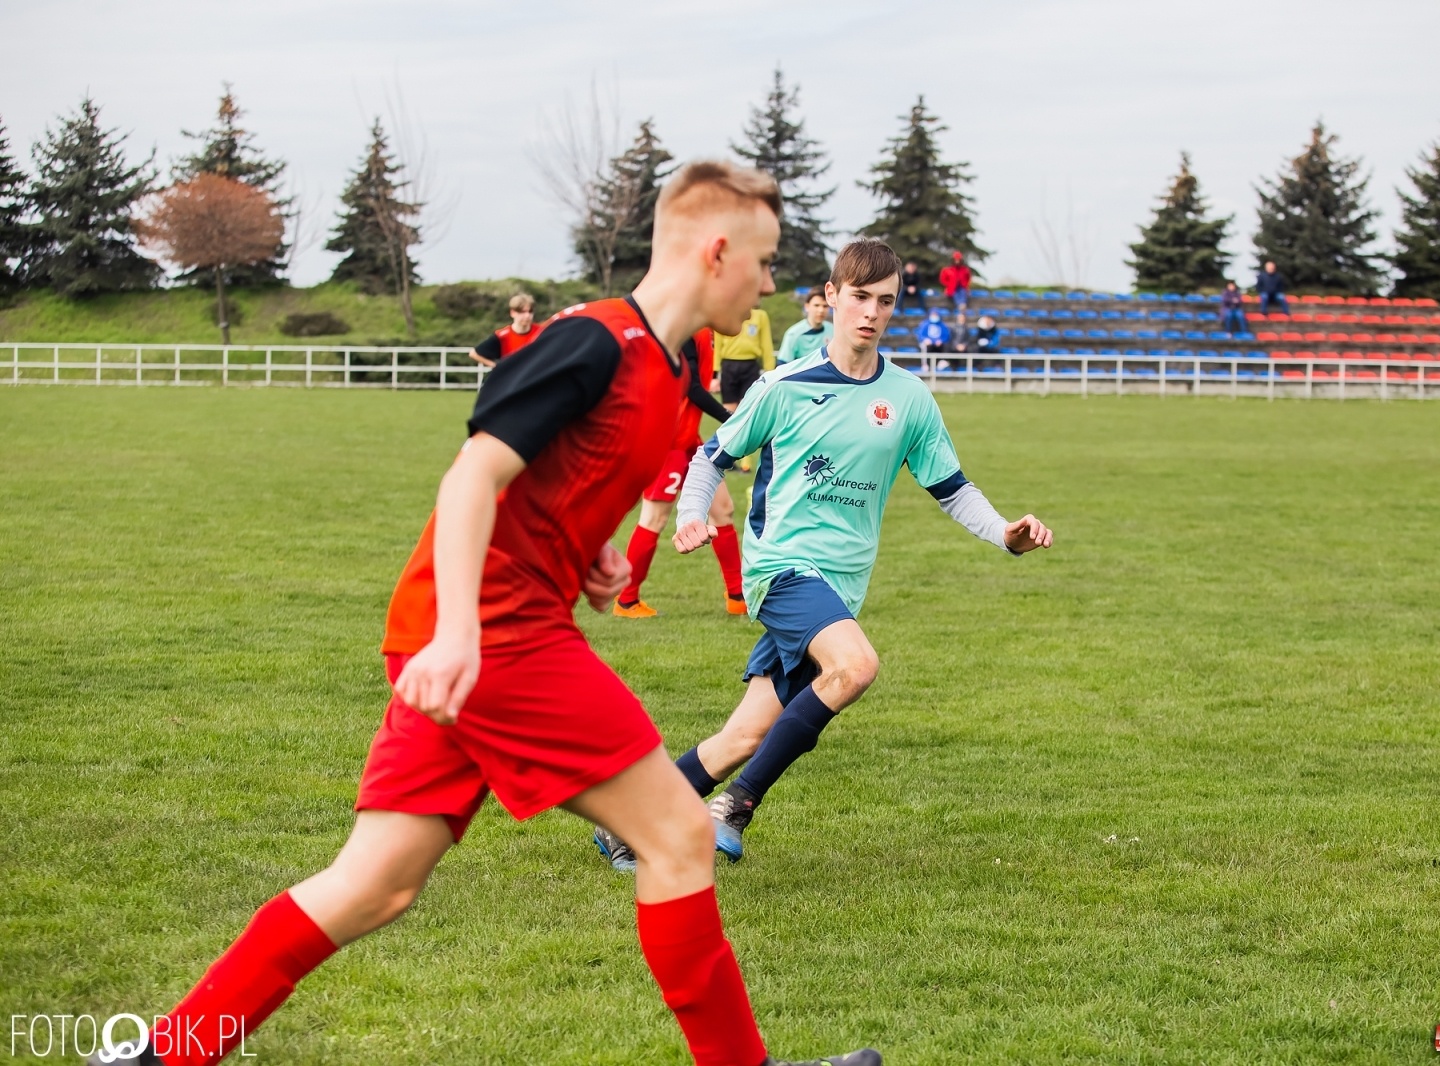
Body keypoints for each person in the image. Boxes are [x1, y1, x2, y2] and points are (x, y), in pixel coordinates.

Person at [87, 161, 878, 1066]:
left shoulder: (668, 366)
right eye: (767, 261)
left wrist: (589, 552)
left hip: (471, 637)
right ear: (718, 249)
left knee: (374, 883)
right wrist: (460, 634)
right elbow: (471, 478)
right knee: (678, 834)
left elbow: (552, 482)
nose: (772, 284)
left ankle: (160, 1056)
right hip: (491, 638)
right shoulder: (591, 342)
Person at [597, 239, 1052, 872]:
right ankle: (734, 808)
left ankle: (624, 824)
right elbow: (711, 457)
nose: (871, 312)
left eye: (885, 301)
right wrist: (694, 513)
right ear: (832, 296)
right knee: (856, 666)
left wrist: (1005, 533)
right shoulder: (782, 386)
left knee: (745, 735)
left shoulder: (908, 398)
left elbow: (952, 489)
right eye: (860, 296)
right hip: (780, 568)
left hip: (840, 588)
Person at [614, 328, 747, 619]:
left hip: (689, 441)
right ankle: (626, 600)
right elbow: (691, 387)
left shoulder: (705, 330)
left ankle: (737, 596)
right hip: (668, 442)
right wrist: (731, 417)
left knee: (723, 510)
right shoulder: (686, 329)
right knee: (654, 518)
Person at [715, 306, 774, 472]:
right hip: (728, 366)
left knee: (747, 414)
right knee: (728, 415)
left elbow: (766, 344)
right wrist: (714, 374)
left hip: (750, 367)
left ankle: (745, 462)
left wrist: (770, 371)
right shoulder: (725, 312)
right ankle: (726, 457)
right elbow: (717, 345)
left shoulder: (760, 316)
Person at [469, 293, 541, 368]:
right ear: (512, 313)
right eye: (522, 312)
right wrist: (497, 367)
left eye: (530, 311)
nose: (527, 316)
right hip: (513, 374)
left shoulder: (541, 332)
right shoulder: (502, 335)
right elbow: (474, 354)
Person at [777, 288, 834, 364]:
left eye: (825, 306)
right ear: (807, 307)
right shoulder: (793, 334)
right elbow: (782, 364)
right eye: (816, 305)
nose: (821, 310)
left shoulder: (833, 330)